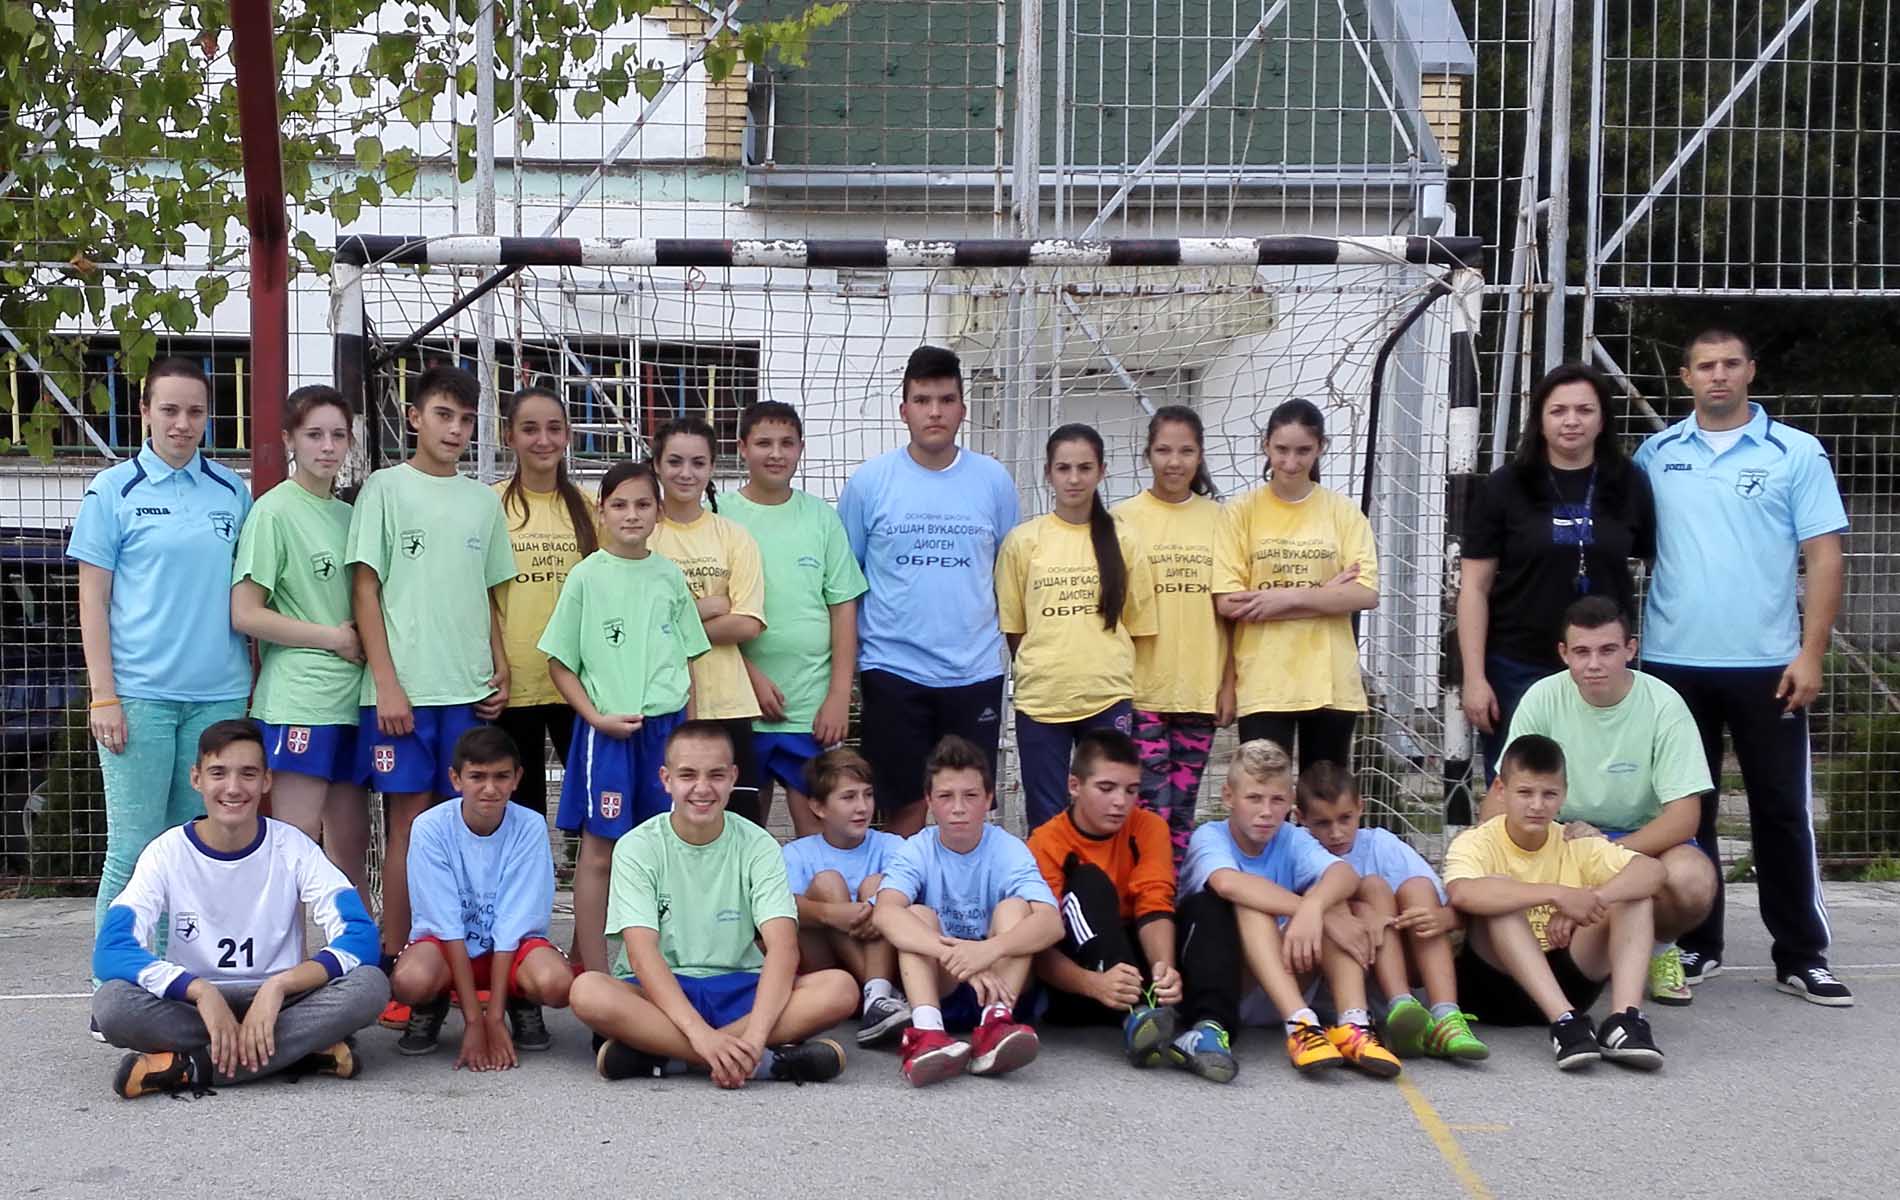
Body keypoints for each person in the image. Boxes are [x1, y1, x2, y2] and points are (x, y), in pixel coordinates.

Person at [1633, 328, 1851, 1006]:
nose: (1719, 375)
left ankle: (1802, 955)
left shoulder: (1796, 452)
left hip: (1768, 665)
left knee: (1781, 811)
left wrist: (1811, 653)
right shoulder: (1656, 454)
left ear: (1751, 371)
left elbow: (1824, 556)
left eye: (1731, 364)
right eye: (1706, 366)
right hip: (1673, 663)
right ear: (1686, 377)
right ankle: (1698, 943)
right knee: (1686, 813)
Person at [71, 357, 254, 1008]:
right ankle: (114, 990)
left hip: (218, 696)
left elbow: (249, 594)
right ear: (144, 412)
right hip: (139, 698)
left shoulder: (231, 492)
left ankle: (176, 984)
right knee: (133, 850)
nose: (182, 423)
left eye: (195, 411)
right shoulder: (112, 491)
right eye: (169, 410)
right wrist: (104, 695)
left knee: (193, 848)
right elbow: (92, 601)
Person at [90, 720, 387, 1098]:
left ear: (266, 781)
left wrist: (280, 985)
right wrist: (200, 991)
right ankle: (298, 1052)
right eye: (218, 773)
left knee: (370, 986)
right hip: (194, 1006)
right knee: (112, 1005)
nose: (233, 788)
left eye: (248, 774)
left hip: (283, 1003)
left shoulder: (293, 846)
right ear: (196, 779)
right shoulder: (166, 852)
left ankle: (191, 1066)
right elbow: (111, 949)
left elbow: (360, 935)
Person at [347, 363, 515, 1028]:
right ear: (414, 418)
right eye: (444, 415)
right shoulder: (385, 490)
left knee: (465, 829)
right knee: (411, 831)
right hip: (405, 694)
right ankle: (399, 960)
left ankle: (462, 963)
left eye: (466, 420)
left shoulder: (482, 502)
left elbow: (491, 594)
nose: (455, 429)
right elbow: (365, 590)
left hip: (467, 692)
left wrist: (500, 663)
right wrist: (387, 682)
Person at [569, 721, 858, 1086]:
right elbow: (642, 955)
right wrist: (703, 1036)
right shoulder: (637, 846)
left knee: (840, 988)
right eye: (687, 775)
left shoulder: (759, 844)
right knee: (588, 991)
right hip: (661, 992)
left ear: (734, 777)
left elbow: (783, 948)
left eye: (716, 775)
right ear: (666, 779)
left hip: (740, 986)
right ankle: (764, 1063)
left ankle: (672, 1058)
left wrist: (754, 1036)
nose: (702, 788)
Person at [1489, 595, 1719, 1006]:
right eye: (1582, 652)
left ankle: (1660, 948)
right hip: (1562, 836)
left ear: (1630, 649)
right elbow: (1502, 792)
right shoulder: (1542, 698)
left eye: (1607, 650)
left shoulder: (1664, 704)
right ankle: (1578, 954)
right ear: (1564, 654)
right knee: (1495, 872)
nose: (1594, 664)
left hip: (1636, 839)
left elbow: (1685, 817)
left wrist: (1606, 851)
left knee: (1692, 879)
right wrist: (1495, 853)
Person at [839, 346, 1021, 836]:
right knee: (902, 808)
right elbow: (845, 584)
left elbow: (1010, 576)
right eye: (922, 400)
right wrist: (846, 671)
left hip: (974, 671)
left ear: (964, 408)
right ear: (904, 410)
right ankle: (902, 888)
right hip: (893, 670)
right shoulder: (869, 483)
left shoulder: (994, 481)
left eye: (946, 400)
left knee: (965, 811)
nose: (934, 412)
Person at [540, 459, 710, 974]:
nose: (631, 515)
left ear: (658, 512)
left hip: (666, 731)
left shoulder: (669, 576)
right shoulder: (586, 577)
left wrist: (691, 737)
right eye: (620, 505)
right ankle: (593, 972)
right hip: (610, 733)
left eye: (642, 504)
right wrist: (595, 717)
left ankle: (664, 968)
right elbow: (559, 662)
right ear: (602, 511)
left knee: (667, 848)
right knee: (600, 852)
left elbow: (688, 659)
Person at [1460, 363, 1656, 781]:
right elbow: (1474, 587)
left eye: (1584, 410)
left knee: (1599, 783)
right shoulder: (1505, 486)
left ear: (1602, 419)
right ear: (1539, 419)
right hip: (1518, 664)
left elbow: (1652, 561)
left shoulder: (1629, 483)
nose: (1571, 421)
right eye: (1558, 410)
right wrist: (1474, 677)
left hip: (1601, 663)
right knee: (1523, 786)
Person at [1173, 739, 1402, 1079]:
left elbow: (1344, 873)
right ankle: (1300, 1026)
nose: (1266, 811)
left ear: (1290, 801)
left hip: (1288, 974)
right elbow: (1227, 884)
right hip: (1228, 986)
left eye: (1277, 800)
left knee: (1332, 900)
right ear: (1228, 797)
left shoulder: (1290, 837)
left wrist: (1316, 907)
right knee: (1253, 904)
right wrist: (1310, 911)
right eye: (1254, 798)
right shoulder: (1209, 835)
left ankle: (1354, 1025)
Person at [1444, 734, 1668, 1071]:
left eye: (1549, 794)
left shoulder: (1574, 840)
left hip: (1569, 978)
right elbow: (1462, 893)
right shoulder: (1475, 842)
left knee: (1633, 897)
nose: (1537, 805)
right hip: (1493, 987)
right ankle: (1564, 1022)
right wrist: (1557, 894)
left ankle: (1625, 1021)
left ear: (1564, 794)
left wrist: (1591, 899)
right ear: (1501, 790)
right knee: (1499, 896)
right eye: (1525, 793)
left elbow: (1653, 871)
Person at [231, 385, 369, 896]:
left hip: (353, 700)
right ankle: (283, 944)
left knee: (351, 846)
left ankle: (356, 941)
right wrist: (332, 638)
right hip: (300, 701)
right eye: (314, 435)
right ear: (289, 439)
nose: (327, 447)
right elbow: (246, 613)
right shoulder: (273, 513)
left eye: (338, 435)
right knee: (296, 842)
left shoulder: (350, 515)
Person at [873, 735, 1062, 1087]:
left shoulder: (1008, 848)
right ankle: (927, 1032)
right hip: (944, 984)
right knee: (915, 916)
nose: (958, 808)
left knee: (1015, 908)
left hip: (1003, 985)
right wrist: (958, 956)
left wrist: (988, 951)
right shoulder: (917, 847)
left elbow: (1051, 923)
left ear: (989, 799)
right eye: (946, 796)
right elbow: (884, 913)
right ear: (929, 801)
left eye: (971, 796)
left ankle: (995, 1025)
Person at [997, 424, 1156, 829]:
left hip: (1107, 696)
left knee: (1106, 812)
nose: (1073, 479)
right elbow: (1015, 628)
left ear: (1102, 471)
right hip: (1042, 700)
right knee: (1048, 818)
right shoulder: (1023, 541)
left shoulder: (1125, 540)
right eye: (1063, 468)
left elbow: (1138, 627)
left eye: (1084, 468)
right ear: (1048, 473)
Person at [722, 401, 868, 835]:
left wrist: (839, 694)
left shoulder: (821, 518)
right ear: (742, 448)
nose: (776, 453)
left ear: (801, 448)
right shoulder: (719, 516)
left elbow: (843, 607)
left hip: (809, 708)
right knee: (743, 834)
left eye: (787, 443)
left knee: (819, 838)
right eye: (763, 443)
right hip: (739, 705)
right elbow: (702, 620)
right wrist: (747, 676)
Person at [387, 727, 573, 1064]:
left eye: (501, 776)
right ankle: (432, 1001)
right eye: (477, 777)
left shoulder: (530, 826)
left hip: (510, 952)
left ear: (517, 778)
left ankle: (519, 999)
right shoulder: (430, 827)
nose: (490, 788)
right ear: (455, 779)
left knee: (557, 983)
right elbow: (446, 925)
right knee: (410, 980)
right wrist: (475, 1021)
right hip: (448, 949)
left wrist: (494, 1017)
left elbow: (513, 924)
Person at [1213, 399, 1378, 769]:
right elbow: (1228, 602)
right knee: (1263, 793)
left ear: (1321, 448)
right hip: (1265, 682)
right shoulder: (1240, 512)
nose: (1290, 462)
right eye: (1281, 450)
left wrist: (1285, 599)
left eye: (1303, 450)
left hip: (1331, 682)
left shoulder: (1342, 512)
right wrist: (1328, 596)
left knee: (1324, 796)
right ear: (1265, 446)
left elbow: (1365, 593)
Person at [1025, 730, 1196, 1076]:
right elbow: (1039, 945)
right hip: (1082, 981)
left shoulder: (1149, 827)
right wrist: (1092, 983)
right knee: (1088, 880)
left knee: (1203, 906)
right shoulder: (1045, 842)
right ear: (1074, 786)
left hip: (1137, 962)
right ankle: (1136, 1015)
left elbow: (1154, 901)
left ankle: (1207, 1025)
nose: (1121, 801)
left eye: (1131, 790)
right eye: (1106, 788)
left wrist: (1163, 968)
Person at [1295, 762, 1489, 1061]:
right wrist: (1361, 913)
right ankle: (1393, 1006)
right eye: (1322, 823)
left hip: (1396, 960)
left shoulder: (1380, 843)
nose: (1336, 833)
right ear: (1301, 818)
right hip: (1337, 974)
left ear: (1361, 807)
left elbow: (1451, 906)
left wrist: (1444, 917)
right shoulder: (1300, 851)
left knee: (1418, 886)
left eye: (1345, 818)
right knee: (1370, 888)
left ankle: (1444, 1016)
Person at [1112, 405, 1235, 865]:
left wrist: (1228, 684)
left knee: (1182, 813)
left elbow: (1231, 613)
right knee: (1148, 809)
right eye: (1164, 450)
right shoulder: (1122, 519)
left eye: (1186, 451)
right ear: (1147, 454)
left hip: (1199, 691)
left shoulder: (1222, 519)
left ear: (1200, 455)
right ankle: (1144, 895)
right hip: (1141, 690)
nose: (1174, 462)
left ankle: (1173, 897)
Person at [649, 416, 769, 824]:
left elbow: (747, 623)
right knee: (669, 826)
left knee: (738, 826)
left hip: (728, 701)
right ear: (657, 465)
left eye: (698, 463)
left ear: (713, 467)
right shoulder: (641, 534)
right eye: (675, 461)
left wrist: (670, 625)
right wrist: (705, 608)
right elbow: (636, 624)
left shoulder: (734, 537)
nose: (686, 473)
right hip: (660, 700)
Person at [491, 386, 598, 821]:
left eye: (554, 429)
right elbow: (480, 596)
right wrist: (497, 664)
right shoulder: (490, 505)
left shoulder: (590, 508)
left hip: (579, 684)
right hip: (513, 684)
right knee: (523, 812)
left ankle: (580, 863)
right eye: (530, 429)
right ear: (508, 436)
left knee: (591, 808)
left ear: (568, 435)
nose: (543, 440)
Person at [780, 747, 910, 1045]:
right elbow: (781, 908)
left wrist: (875, 908)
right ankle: (881, 995)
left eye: (868, 795)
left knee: (880, 886)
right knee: (827, 883)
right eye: (848, 797)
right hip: (824, 967)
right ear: (819, 807)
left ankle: (876, 997)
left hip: (881, 959)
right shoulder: (797, 853)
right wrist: (831, 914)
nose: (862, 807)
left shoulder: (892, 845)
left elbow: (910, 888)